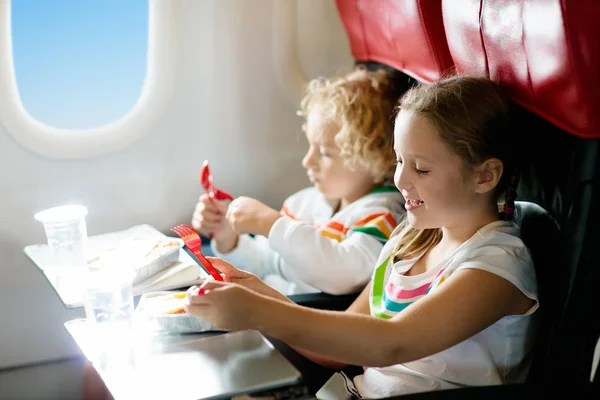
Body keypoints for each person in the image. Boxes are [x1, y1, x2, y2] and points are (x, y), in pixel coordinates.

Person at [185, 76, 539, 398]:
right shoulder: (410, 241)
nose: (400, 180)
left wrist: (260, 312)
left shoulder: (495, 265)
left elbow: (392, 344)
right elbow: (337, 348)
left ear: (484, 176)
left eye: (421, 168)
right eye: (399, 161)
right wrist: (255, 291)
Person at [191, 66, 406, 295]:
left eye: (324, 152)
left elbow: (344, 276)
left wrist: (271, 224)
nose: (307, 161)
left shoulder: (383, 215)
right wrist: (227, 236)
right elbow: (266, 264)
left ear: (373, 157)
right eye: (310, 146)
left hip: (307, 317)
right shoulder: (306, 204)